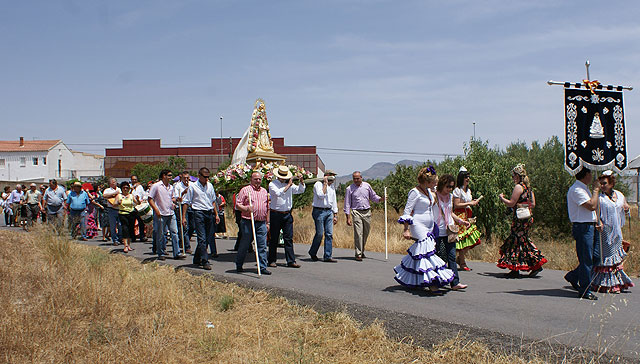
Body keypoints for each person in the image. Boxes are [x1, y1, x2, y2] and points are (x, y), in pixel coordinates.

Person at [394, 166, 455, 293]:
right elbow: (407, 211)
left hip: (429, 225)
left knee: (420, 253)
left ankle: (411, 278)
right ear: (426, 182)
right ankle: (432, 283)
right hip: (418, 224)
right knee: (428, 252)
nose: (435, 184)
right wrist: (406, 229)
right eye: (433, 181)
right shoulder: (414, 192)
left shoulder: (429, 192)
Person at [497, 164, 547, 278]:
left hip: (519, 218)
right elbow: (533, 204)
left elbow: (511, 203)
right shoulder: (528, 188)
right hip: (527, 218)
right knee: (523, 240)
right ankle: (535, 264)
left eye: (514, 176)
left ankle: (515, 268)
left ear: (518, 176)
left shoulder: (518, 187)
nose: (513, 178)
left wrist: (501, 198)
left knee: (516, 240)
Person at [591, 171, 634, 293]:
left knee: (616, 257)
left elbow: (625, 205)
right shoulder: (600, 198)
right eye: (601, 184)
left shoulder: (619, 195)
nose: (603, 186)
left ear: (611, 183)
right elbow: (596, 212)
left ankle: (618, 282)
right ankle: (607, 285)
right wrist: (598, 222)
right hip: (605, 231)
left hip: (617, 230)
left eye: (605, 183)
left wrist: (626, 208)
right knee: (608, 257)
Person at [564, 168, 601, 300]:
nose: (592, 176)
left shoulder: (584, 188)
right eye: (590, 173)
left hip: (590, 224)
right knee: (586, 259)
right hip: (582, 226)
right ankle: (585, 289)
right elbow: (591, 205)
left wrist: (597, 220)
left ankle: (574, 276)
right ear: (585, 175)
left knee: (596, 256)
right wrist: (596, 190)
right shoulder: (577, 190)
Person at [434, 174, 470, 290]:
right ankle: (436, 280)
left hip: (450, 230)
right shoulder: (434, 195)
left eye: (451, 187)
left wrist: (460, 221)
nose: (450, 189)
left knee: (452, 256)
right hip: (438, 230)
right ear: (442, 185)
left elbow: (450, 213)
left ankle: (455, 282)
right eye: (448, 186)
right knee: (438, 256)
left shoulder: (450, 197)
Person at [267, 166, 305, 268]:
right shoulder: (272, 184)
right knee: (274, 238)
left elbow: (300, 190)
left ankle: (291, 260)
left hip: (287, 214)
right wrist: (288, 185)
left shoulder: (289, 185)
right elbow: (278, 193)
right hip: (276, 214)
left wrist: (301, 181)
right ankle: (271, 260)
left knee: (288, 238)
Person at [182, 167, 220, 270]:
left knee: (207, 238)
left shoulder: (210, 186)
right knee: (202, 238)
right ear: (199, 176)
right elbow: (186, 202)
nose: (207, 179)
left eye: (208, 177)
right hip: (198, 212)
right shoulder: (193, 187)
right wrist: (183, 217)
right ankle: (204, 260)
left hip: (209, 212)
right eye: (205, 177)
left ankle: (197, 257)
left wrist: (216, 214)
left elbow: (213, 201)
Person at [235, 171, 271, 275]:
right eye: (256, 179)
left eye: (259, 179)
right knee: (245, 244)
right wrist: (246, 208)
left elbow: (268, 207)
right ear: (251, 179)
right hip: (248, 221)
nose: (258, 181)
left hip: (261, 223)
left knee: (262, 245)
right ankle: (239, 264)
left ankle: (262, 267)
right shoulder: (245, 190)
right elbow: (238, 205)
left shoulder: (264, 191)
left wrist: (268, 222)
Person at [344, 171, 383, 261]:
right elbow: (347, 203)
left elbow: (373, 196)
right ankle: (358, 254)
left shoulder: (367, 186)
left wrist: (381, 199)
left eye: (357, 178)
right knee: (358, 233)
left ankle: (362, 251)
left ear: (361, 178)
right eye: (354, 178)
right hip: (356, 212)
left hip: (367, 212)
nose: (356, 180)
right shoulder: (349, 188)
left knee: (365, 233)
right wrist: (348, 217)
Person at [148, 169, 186, 261]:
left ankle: (177, 253)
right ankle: (160, 252)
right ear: (164, 176)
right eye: (169, 175)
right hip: (161, 213)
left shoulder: (171, 187)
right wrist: (156, 210)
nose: (170, 177)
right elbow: (150, 199)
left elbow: (172, 198)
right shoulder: (156, 186)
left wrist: (177, 200)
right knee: (161, 234)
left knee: (175, 233)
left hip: (170, 212)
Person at [452, 167, 482, 271]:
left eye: (468, 177)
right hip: (460, 216)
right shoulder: (457, 190)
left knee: (472, 239)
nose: (468, 179)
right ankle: (462, 262)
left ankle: (460, 259)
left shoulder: (468, 190)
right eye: (466, 177)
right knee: (462, 239)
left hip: (468, 215)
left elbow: (466, 202)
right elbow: (456, 205)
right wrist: (469, 203)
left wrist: (472, 202)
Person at [309, 170, 339, 262]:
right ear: (326, 176)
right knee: (319, 234)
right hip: (319, 211)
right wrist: (325, 184)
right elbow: (321, 195)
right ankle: (313, 252)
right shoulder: (318, 184)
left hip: (329, 211)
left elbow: (334, 200)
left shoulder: (332, 187)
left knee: (329, 234)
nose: (333, 179)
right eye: (331, 176)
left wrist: (335, 214)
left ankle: (327, 256)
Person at [114, 181, 138, 252]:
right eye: (124, 188)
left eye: (127, 188)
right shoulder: (119, 196)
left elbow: (137, 203)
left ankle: (129, 245)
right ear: (121, 189)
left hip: (131, 214)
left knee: (131, 229)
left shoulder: (131, 196)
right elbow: (114, 204)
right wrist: (118, 203)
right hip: (123, 214)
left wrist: (138, 200)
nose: (125, 189)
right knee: (125, 229)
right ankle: (125, 245)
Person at [173, 171, 193, 254]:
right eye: (184, 178)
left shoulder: (192, 185)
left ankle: (183, 240)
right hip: (181, 206)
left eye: (187, 178)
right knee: (184, 226)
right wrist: (183, 193)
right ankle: (187, 246)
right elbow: (176, 198)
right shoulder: (178, 186)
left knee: (192, 226)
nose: (186, 179)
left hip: (191, 206)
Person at [102, 178, 122, 245]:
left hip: (120, 209)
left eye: (115, 182)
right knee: (113, 226)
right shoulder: (107, 190)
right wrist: (114, 193)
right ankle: (115, 240)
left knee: (120, 225)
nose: (114, 183)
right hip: (111, 209)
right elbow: (104, 195)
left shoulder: (120, 189)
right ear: (110, 183)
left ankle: (120, 238)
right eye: (112, 182)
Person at [130, 175, 147, 242]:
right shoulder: (129, 187)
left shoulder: (140, 187)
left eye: (135, 179)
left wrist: (142, 199)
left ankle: (142, 236)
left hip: (139, 206)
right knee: (131, 223)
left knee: (141, 223)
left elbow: (144, 195)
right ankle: (132, 237)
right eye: (132, 179)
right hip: (132, 207)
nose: (134, 181)